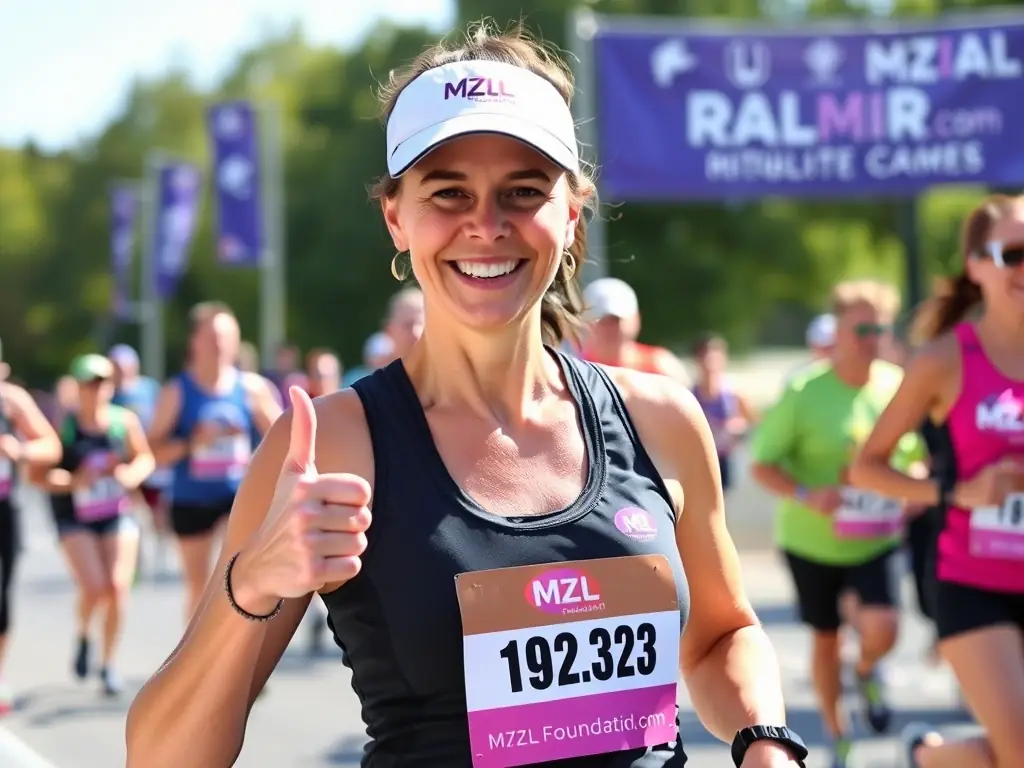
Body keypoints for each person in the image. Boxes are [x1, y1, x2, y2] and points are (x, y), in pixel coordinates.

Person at [126, 24, 810, 768]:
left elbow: (719, 637)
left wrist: (763, 741)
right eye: (448, 193)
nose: (486, 226)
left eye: (523, 192)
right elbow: (161, 756)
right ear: (396, 217)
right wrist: (250, 583)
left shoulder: (661, 420)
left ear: (572, 214)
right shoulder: (330, 447)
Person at [851, 194, 1024, 768]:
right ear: (976, 265)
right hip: (975, 583)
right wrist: (958, 494)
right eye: (1013, 253)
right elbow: (867, 467)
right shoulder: (945, 360)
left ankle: (928, 756)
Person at [750, 279, 924, 768]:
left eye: (879, 328)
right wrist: (808, 494)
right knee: (826, 640)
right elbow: (762, 464)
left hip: (876, 538)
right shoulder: (805, 389)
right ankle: (836, 733)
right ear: (839, 331)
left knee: (884, 628)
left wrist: (912, 483)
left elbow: (921, 460)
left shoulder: (899, 385)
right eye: (860, 328)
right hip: (812, 541)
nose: (870, 338)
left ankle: (867, 668)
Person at [146, 302, 283, 620]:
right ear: (194, 342)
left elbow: (285, 439)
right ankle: (194, 661)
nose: (220, 345)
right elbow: (152, 451)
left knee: (240, 581)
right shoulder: (177, 391)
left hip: (237, 497)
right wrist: (194, 443)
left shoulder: (251, 388)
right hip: (191, 500)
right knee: (199, 586)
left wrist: (259, 461)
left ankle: (234, 656)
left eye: (226, 337)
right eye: (212, 337)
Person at [32, 354, 154, 697]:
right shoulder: (64, 427)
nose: (95, 390)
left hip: (115, 511)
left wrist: (132, 474)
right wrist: (76, 481)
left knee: (117, 586)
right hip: (75, 516)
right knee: (94, 586)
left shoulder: (123, 422)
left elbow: (145, 458)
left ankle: (108, 664)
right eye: (89, 383)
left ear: (110, 387)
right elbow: (39, 476)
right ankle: (84, 633)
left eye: (102, 383)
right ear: (77, 388)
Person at [0, 341, 62, 713]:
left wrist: (19, 451)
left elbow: (50, 446)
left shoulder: (11, 401)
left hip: (4, 508)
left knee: (2, 596)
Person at [580, 277, 690, 382]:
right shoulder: (576, 370)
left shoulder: (662, 367)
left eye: (616, 319)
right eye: (603, 321)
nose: (610, 328)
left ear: (636, 319)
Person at [690, 333, 755, 493]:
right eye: (704, 357)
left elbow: (752, 422)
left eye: (714, 358)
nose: (709, 364)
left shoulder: (734, 394)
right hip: (700, 458)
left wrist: (738, 427)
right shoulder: (690, 395)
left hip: (727, 458)